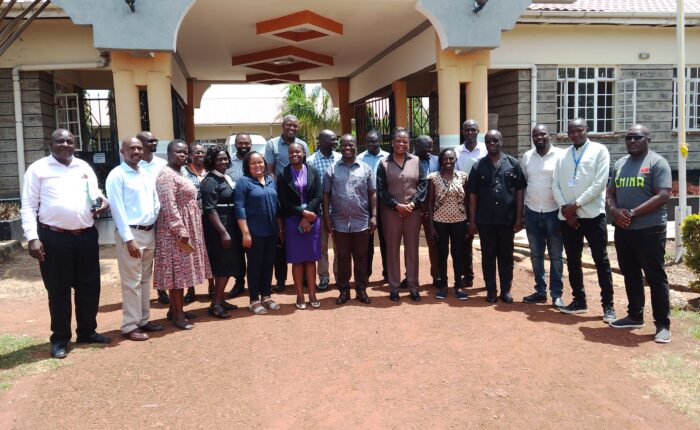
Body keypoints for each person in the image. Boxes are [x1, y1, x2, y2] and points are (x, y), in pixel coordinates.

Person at [20, 128, 111, 358]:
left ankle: (87, 332)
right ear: (50, 144)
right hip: (54, 237)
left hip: (86, 235)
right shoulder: (38, 169)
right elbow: (28, 206)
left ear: (74, 144)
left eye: (69, 141)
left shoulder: (83, 167)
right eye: (60, 141)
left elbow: (94, 193)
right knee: (58, 289)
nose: (65, 145)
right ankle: (60, 338)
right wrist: (32, 238)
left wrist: (103, 201)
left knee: (89, 286)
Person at [607, 125, 672, 344]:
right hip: (624, 230)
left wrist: (633, 213)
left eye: (637, 137)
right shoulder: (620, 164)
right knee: (630, 273)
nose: (632, 141)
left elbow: (663, 195)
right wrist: (615, 211)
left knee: (655, 276)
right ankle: (635, 315)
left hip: (650, 229)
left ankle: (662, 324)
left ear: (648, 139)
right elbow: (610, 192)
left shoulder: (657, 163)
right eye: (628, 137)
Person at [553, 118, 616, 322]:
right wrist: (567, 210)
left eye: (579, 130)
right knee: (572, 260)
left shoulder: (599, 150)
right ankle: (579, 300)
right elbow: (555, 185)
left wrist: (576, 204)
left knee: (601, 260)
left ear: (587, 130)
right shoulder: (563, 155)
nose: (575, 134)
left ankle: (608, 306)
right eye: (571, 131)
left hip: (592, 215)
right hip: (568, 218)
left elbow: (600, 183)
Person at [106, 137, 164, 341]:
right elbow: (117, 209)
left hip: (149, 232)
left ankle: (143, 320)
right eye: (132, 148)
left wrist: (152, 220)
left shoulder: (144, 173)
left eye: (139, 148)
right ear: (122, 151)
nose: (137, 151)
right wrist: (128, 238)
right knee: (132, 281)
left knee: (145, 279)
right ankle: (130, 325)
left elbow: (155, 200)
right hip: (131, 233)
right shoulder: (117, 175)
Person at [153, 140, 212, 330]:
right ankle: (179, 316)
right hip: (174, 232)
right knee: (176, 272)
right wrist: (180, 229)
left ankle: (174, 310)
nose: (182, 155)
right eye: (178, 152)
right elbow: (168, 205)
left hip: (187, 226)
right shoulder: (166, 175)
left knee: (183, 269)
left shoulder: (181, 172)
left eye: (185, 152)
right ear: (168, 153)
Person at [467, 130, 526, 304]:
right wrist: (472, 220)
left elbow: (520, 191)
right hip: (485, 220)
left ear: (502, 141)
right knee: (488, 256)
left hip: (507, 219)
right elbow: (472, 195)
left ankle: (505, 290)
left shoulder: (513, 163)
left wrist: (519, 217)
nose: (491, 143)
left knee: (506, 256)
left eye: (495, 140)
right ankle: (491, 290)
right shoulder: (478, 166)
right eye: (488, 141)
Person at [323, 134, 377, 305]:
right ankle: (344, 290)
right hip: (339, 221)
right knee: (343, 257)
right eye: (344, 145)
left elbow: (372, 193)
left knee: (361, 257)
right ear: (340, 146)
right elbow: (326, 194)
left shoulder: (366, 168)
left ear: (356, 146)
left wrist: (374, 216)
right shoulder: (332, 169)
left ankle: (361, 290)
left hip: (361, 220)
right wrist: (327, 217)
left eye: (350, 145)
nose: (347, 147)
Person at [376, 127, 427, 302]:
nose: (401, 144)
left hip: (413, 212)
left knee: (412, 249)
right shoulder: (383, 163)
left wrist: (413, 204)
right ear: (392, 142)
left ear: (408, 143)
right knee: (392, 249)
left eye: (405, 141)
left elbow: (422, 185)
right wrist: (396, 205)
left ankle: (413, 286)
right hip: (391, 212)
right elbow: (381, 189)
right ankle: (394, 287)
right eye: (398, 141)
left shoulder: (416, 160)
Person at [264, 115, 311, 292]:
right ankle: (281, 279)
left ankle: (305, 277)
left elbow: (307, 170)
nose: (292, 128)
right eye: (288, 125)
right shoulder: (272, 144)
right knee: (281, 238)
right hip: (281, 196)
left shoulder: (302, 144)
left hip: (301, 197)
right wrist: (282, 187)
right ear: (283, 126)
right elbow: (269, 170)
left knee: (303, 236)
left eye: (295, 126)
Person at [521, 125, 565, 308]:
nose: (539, 137)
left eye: (542, 134)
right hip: (532, 211)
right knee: (536, 255)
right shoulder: (527, 157)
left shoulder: (561, 155)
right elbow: (524, 183)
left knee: (556, 255)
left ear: (550, 135)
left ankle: (556, 294)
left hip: (554, 212)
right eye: (535, 135)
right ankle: (540, 291)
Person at [233, 151, 282, 315]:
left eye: (260, 162)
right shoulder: (243, 182)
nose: (257, 165)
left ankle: (266, 296)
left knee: (268, 264)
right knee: (255, 265)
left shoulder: (271, 180)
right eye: (253, 163)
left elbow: (277, 206)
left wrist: (280, 229)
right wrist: (245, 233)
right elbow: (239, 207)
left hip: (271, 231)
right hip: (254, 232)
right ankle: (254, 299)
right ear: (247, 166)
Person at [200, 145, 243, 319]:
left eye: (225, 158)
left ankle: (221, 299)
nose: (224, 161)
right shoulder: (210, 181)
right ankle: (216, 304)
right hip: (220, 227)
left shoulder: (224, 177)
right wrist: (223, 232)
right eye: (219, 159)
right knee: (223, 265)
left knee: (228, 263)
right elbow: (210, 209)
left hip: (229, 224)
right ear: (211, 161)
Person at [278, 143, 322, 309]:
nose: (294, 154)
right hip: (292, 220)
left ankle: (312, 294)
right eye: (291, 152)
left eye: (297, 151)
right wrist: (302, 213)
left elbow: (318, 195)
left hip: (312, 219)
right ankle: (300, 296)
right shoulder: (283, 174)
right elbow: (283, 201)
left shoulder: (313, 171)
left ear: (304, 153)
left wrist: (308, 215)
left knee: (310, 259)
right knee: (297, 260)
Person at [426, 148, 469, 300]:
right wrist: (431, 226)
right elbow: (430, 203)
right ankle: (443, 286)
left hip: (459, 221)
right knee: (442, 254)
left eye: (451, 158)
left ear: (456, 160)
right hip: (440, 221)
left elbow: (467, 200)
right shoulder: (433, 178)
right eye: (445, 159)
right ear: (441, 161)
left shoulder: (463, 176)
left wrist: (469, 222)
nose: (448, 161)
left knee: (458, 254)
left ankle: (458, 286)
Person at [136, 131, 170, 305]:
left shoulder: (163, 164)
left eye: (155, 140)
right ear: (140, 143)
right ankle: (142, 293)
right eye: (150, 141)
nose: (154, 143)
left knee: (162, 254)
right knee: (145, 257)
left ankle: (162, 289)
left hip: (162, 215)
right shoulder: (135, 165)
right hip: (144, 217)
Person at [307, 130, 341, 291]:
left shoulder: (340, 158)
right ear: (321, 141)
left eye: (335, 139)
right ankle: (324, 276)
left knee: (340, 246)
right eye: (332, 139)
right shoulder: (310, 161)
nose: (335, 142)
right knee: (321, 247)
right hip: (319, 212)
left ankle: (340, 275)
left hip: (339, 211)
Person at [455, 119, 486, 289]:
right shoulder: (457, 152)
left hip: (485, 201)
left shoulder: (486, 149)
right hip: (464, 201)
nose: (470, 133)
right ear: (462, 131)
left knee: (488, 242)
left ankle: (489, 280)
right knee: (464, 241)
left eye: (473, 129)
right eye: (467, 130)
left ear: (478, 131)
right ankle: (467, 276)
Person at [182, 142, 215, 304]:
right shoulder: (183, 172)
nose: (200, 155)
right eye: (196, 152)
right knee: (191, 253)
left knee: (210, 251)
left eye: (202, 152)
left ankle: (212, 287)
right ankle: (191, 289)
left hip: (209, 218)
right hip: (191, 220)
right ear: (189, 155)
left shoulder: (210, 172)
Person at [357, 130, 389, 280]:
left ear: (380, 141)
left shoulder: (388, 158)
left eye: (375, 141)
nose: (372, 144)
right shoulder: (359, 158)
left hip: (385, 204)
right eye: (369, 141)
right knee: (366, 242)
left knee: (386, 240)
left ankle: (388, 273)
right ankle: (366, 273)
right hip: (366, 204)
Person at [224, 133, 252, 299]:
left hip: (254, 213)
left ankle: (255, 282)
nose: (244, 145)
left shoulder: (256, 161)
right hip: (235, 214)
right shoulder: (228, 164)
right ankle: (239, 282)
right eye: (240, 143)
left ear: (251, 144)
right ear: (235, 144)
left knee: (254, 250)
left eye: (246, 143)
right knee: (238, 251)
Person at [413, 135, 440, 288]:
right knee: (411, 244)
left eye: (431, 145)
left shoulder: (438, 161)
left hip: (433, 209)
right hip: (414, 209)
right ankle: (410, 277)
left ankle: (437, 275)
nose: (430, 149)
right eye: (426, 146)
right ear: (417, 145)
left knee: (434, 243)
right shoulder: (408, 160)